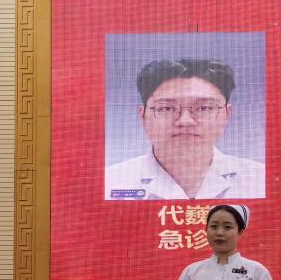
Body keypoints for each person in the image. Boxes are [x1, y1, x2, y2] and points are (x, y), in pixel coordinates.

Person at [107, 58, 266, 201]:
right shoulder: (110, 181)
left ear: (227, 114)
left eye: (203, 108)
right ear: (143, 116)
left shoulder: (259, 178)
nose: (185, 121)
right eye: (167, 108)